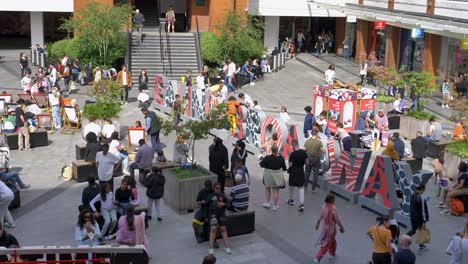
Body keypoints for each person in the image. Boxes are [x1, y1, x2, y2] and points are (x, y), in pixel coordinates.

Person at [313, 193, 345, 263]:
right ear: (332, 200)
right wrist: (342, 227)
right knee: (327, 243)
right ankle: (318, 257)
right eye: (334, 199)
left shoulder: (323, 206)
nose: (334, 201)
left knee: (332, 240)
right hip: (331, 229)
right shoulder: (333, 208)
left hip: (325, 227)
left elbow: (320, 215)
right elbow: (337, 220)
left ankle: (332, 253)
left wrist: (317, 223)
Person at [260, 145, 286, 211]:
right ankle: (275, 206)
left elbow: (261, 165)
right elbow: (284, 168)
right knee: (276, 191)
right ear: (277, 150)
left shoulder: (267, 157)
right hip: (277, 177)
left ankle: (267, 203)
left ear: (271, 150)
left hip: (268, 176)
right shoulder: (281, 158)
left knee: (267, 188)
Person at [208, 182, 231, 255]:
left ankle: (227, 247)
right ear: (214, 188)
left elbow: (229, 204)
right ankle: (211, 248)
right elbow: (205, 205)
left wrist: (223, 204)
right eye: (216, 188)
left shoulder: (223, 195)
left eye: (219, 188)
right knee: (213, 229)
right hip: (213, 215)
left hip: (221, 214)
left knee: (223, 229)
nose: (218, 190)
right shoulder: (210, 195)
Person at [406, 184, 429, 250]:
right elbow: (423, 211)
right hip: (419, 218)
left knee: (413, 230)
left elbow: (415, 205)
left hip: (413, 216)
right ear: (422, 189)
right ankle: (421, 245)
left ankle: (403, 238)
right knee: (421, 230)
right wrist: (424, 221)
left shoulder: (413, 195)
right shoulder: (421, 198)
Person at [287, 147, 308, 212]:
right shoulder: (304, 152)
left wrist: (289, 167)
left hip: (293, 172)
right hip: (301, 171)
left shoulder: (292, 154)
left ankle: (291, 200)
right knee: (301, 188)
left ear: (293, 146)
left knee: (291, 186)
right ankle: (301, 204)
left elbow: (290, 164)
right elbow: (307, 162)